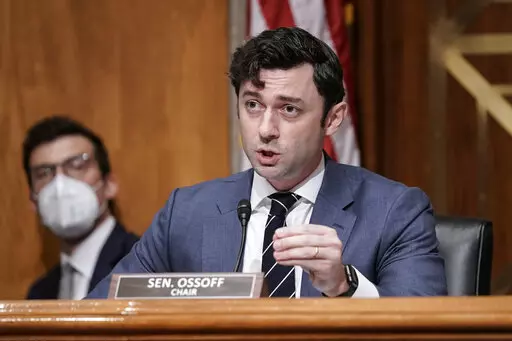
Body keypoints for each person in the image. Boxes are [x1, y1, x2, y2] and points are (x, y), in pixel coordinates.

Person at [87, 27, 447, 298]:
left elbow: (426, 329)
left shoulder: (395, 212)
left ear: (333, 119)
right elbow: (103, 312)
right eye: (253, 105)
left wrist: (344, 284)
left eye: (289, 109)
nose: (265, 130)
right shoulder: (185, 213)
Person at [24, 116, 138, 299]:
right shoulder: (39, 293)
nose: (60, 184)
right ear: (33, 200)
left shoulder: (144, 266)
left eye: (77, 165)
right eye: (43, 173)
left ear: (109, 184)